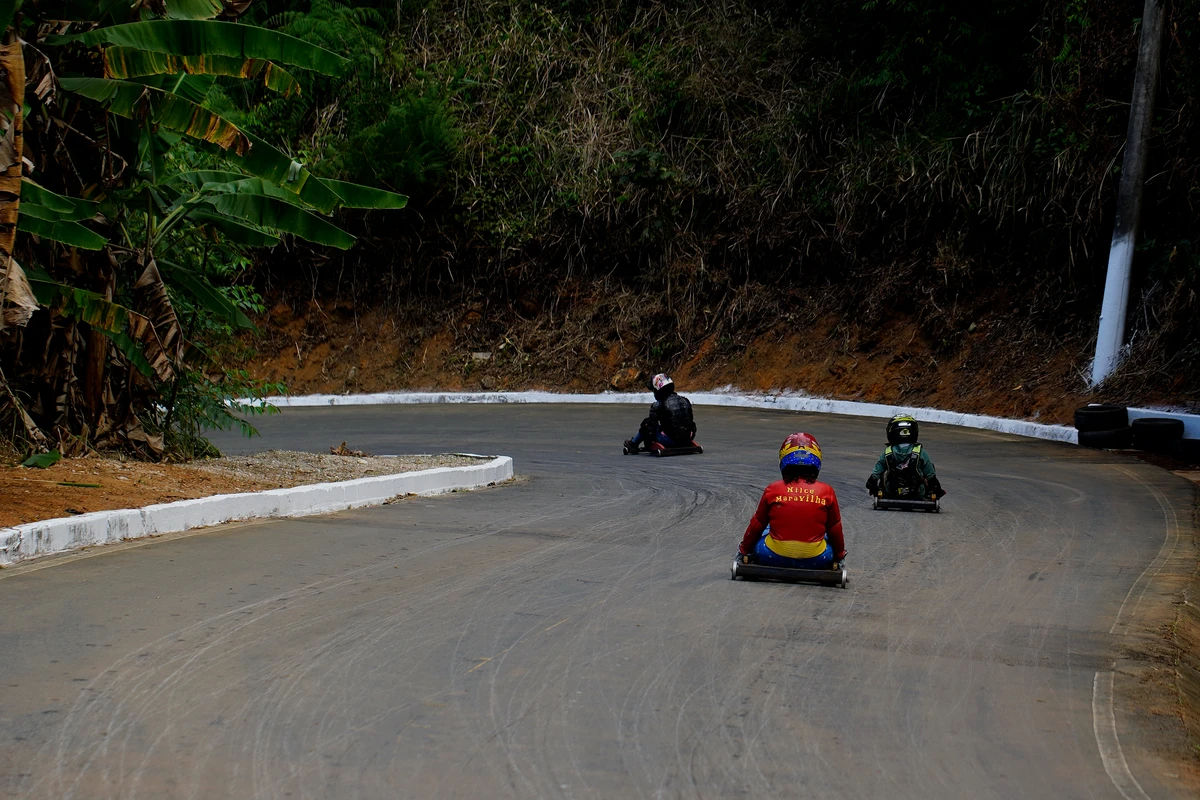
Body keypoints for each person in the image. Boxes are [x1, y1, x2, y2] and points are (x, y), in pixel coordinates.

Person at [737, 433, 846, 569]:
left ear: (784, 459)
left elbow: (756, 525)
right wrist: (839, 556)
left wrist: (743, 550)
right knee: (827, 538)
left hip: (772, 556)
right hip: (817, 559)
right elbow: (835, 529)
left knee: (765, 529)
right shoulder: (827, 491)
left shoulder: (773, 489)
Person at [865, 414, 945, 499]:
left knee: (883, 471)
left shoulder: (887, 452)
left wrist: (873, 488)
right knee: (929, 467)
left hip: (892, 492)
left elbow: (875, 475)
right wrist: (937, 490)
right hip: (918, 493)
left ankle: (882, 493)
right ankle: (929, 494)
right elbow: (931, 475)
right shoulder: (920, 452)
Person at [623, 373, 697, 453]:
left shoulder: (659, 405)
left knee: (646, 423)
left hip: (670, 441)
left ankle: (633, 444)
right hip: (687, 438)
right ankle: (681, 439)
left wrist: (648, 442)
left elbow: (651, 427)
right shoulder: (684, 400)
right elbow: (691, 423)